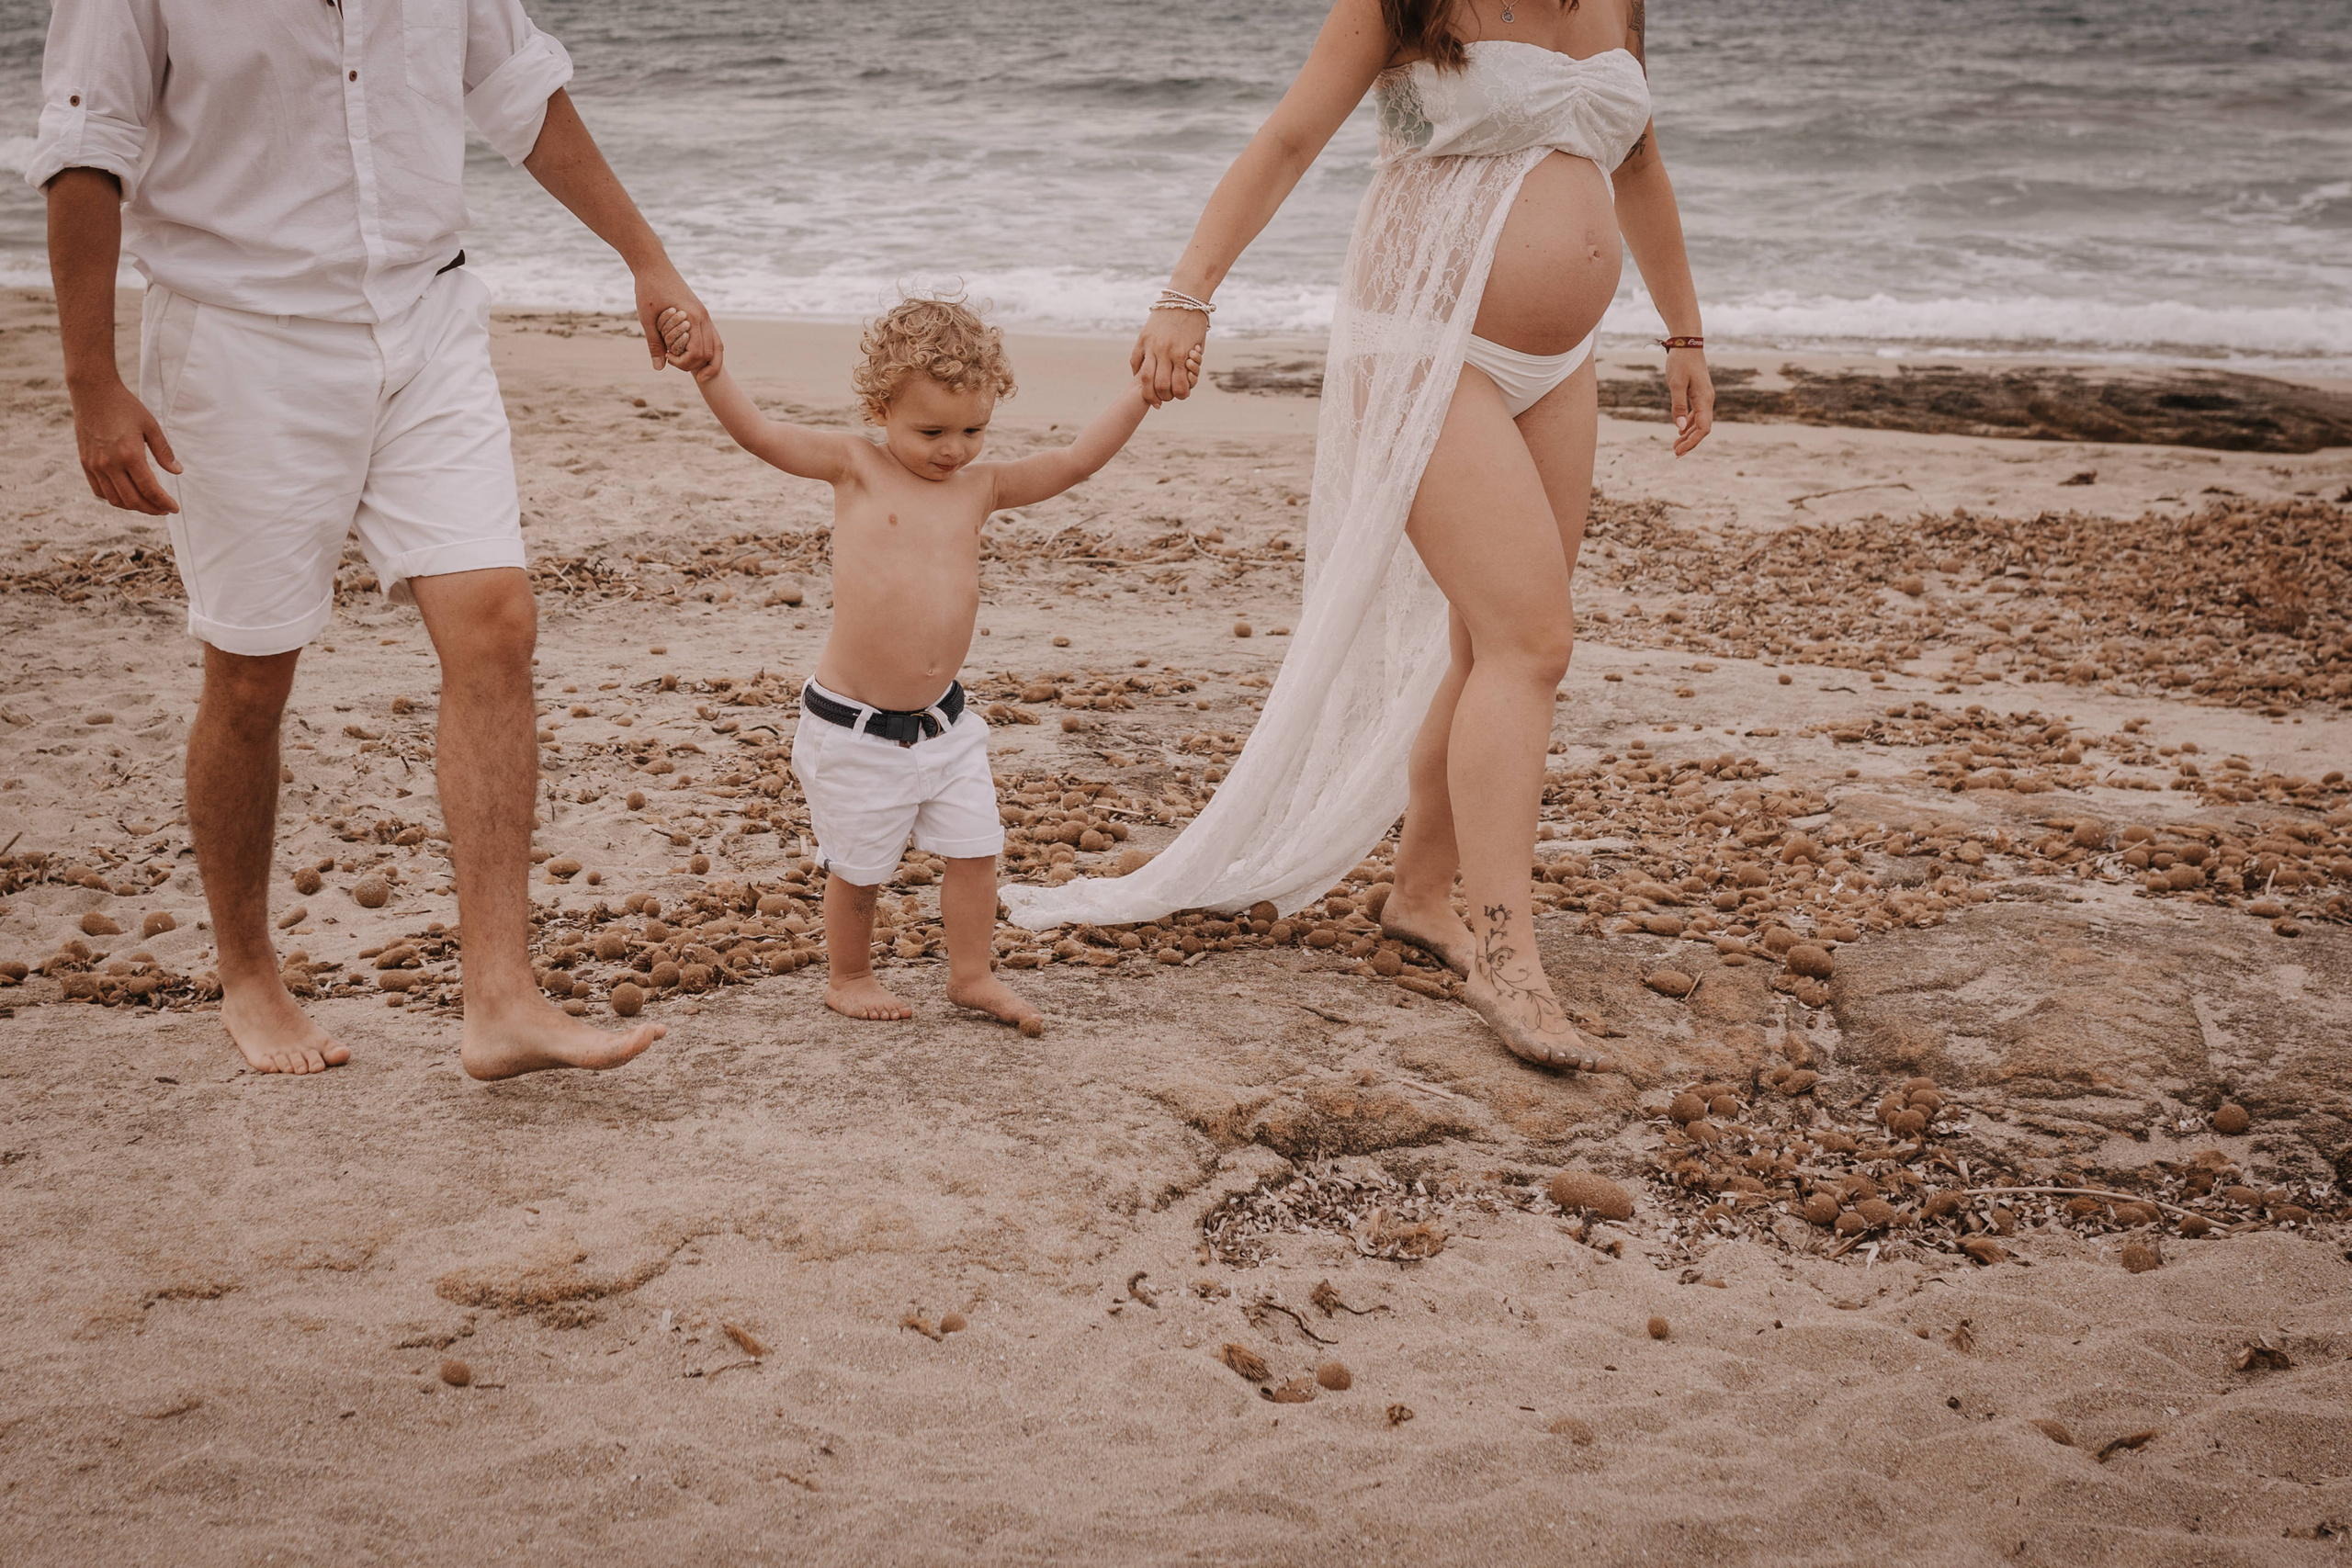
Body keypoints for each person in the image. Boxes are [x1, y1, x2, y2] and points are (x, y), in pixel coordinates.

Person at [1001, 0, 1714, 1073]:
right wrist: (1185, 294)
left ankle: (1422, 897)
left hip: (1559, 366)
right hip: (1425, 339)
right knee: (1534, 641)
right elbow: (1291, 136)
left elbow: (1638, 165)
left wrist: (1684, 331)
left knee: (1489, 642)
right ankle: (1509, 959)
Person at [30, 0, 721, 1079]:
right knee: (252, 675)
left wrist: (648, 258)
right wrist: (91, 383)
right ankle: (249, 976)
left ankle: (501, 999)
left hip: (427, 319)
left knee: (496, 622)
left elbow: (521, 95)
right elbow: (86, 150)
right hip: (238, 338)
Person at [658, 297, 1175, 1031]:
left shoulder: (980, 486)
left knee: (977, 849)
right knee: (861, 869)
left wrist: (1140, 394)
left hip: (946, 725)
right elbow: (762, 436)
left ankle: (971, 974)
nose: (953, 449)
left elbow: (1074, 461)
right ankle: (850, 974)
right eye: (930, 430)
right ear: (880, 406)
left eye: (973, 429)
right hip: (855, 731)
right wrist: (711, 372)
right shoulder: (854, 466)